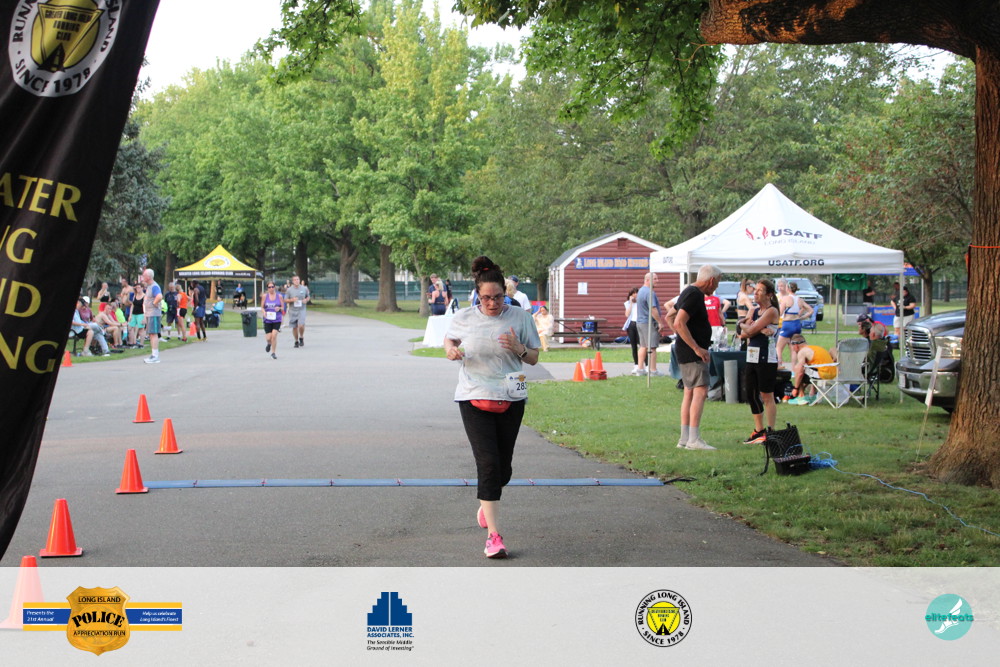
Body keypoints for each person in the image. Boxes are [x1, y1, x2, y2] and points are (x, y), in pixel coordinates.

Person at [444, 256, 540, 559]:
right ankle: (494, 537)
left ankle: (488, 502)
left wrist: (519, 348)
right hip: (473, 395)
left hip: (512, 395)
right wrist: (451, 350)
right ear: (477, 294)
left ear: (505, 293)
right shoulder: (465, 317)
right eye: (486, 297)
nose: (492, 303)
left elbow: (534, 357)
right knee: (487, 464)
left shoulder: (520, 317)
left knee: (503, 469)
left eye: (498, 297)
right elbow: (449, 339)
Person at [672, 265, 722, 451]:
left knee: (689, 392)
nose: (716, 287)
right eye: (717, 282)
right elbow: (679, 322)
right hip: (693, 352)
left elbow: (670, 314)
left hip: (685, 350)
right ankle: (694, 439)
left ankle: (685, 438)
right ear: (711, 280)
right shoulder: (694, 294)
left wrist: (680, 336)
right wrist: (696, 347)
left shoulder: (688, 291)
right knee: (700, 391)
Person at [736, 280, 780, 444]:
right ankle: (758, 429)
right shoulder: (753, 310)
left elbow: (750, 330)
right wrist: (758, 329)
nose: (755, 293)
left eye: (760, 290)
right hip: (752, 356)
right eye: (755, 290)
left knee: (766, 394)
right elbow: (743, 334)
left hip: (766, 358)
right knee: (751, 393)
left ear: (769, 295)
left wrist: (751, 327)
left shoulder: (771, 311)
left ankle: (771, 431)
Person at [788, 334, 837, 404]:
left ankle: (801, 397)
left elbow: (800, 372)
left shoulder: (802, 352)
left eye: (792, 347)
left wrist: (795, 388)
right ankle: (812, 394)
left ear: (796, 346)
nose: (792, 349)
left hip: (824, 374)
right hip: (834, 374)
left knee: (798, 368)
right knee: (811, 368)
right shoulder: (816, 348)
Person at [776, 280, 813, 367]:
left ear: (788, 288)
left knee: (778, 347)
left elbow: (780, 313)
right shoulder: (800, 299)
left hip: (787, 324)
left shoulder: (785, 299)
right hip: (797, 324)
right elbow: (811, 310)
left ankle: (779, 365)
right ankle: (793, 368)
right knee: (794, 348)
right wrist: (802, 317)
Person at [635, 272, 663, 376]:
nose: (657, 281)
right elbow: (653, 309)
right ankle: (653, 370)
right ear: (647, 280)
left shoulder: (641, 291)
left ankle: (640, 369)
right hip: (648, 322)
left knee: (643, 346)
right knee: (652, 347)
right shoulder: (649, 292)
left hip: (640, 322)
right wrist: (660, 322)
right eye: (655, 279)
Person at [141, 269, 163, 364]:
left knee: (153, 333)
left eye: (144, 275)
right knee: (151, 334)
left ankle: (155, 356)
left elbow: (159, 296)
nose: (142, 277)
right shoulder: (149, 286)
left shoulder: (154, 286)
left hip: (153, 313)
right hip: (149, 313)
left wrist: (154, 303)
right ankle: (153, 354)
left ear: (148, 277)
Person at [284, 275, 311, 347]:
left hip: (301, 309)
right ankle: (296, 341)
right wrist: (292, 300)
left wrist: (306, 300)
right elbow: (285, 300)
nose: (297, 281)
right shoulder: (289, 290)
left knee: (301, 325)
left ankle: (301, 337)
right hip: (292, 310)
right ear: (293, 281)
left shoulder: (304, 288)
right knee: (294, 327)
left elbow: (308, 296)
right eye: (295, 280)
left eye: (298, 279)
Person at [261, 281, 284, 359]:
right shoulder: (265, 296)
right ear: (267, 288)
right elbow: (262, 307)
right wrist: (264, 312)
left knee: (274, 336)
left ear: (274, 287)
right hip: (267, 319)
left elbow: (283, 308)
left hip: (277, 319)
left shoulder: (279, 296)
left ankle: (273, 353)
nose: (271, 288)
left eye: (272, 287)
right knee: (269, 338)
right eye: (269, 287)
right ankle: (269, 344)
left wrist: (279, 308)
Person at [623, 287, 640, 372]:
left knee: (642, 345)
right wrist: (631, 303)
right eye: (633, 293)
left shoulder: (641, 302)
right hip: (632, 324)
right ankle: (636, 364)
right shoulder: (627, 303)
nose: (635, 295)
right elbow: (627, 314)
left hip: (640, 324)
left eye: (637, 293)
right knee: (634, 346)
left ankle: (645, 364)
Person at [127, 282, 145, 347]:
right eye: (137, 288)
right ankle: (132, 342)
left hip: (141, 314)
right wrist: (130, 315)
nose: (138, 289)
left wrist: (144, 317)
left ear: (142, 288)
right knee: (130, 327)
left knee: (141, 329)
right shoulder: (135, 295)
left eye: (139, 288)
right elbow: (132, 305)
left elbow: (144, 307)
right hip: (134, 314)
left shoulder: (144, 296)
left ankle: (141, 344)